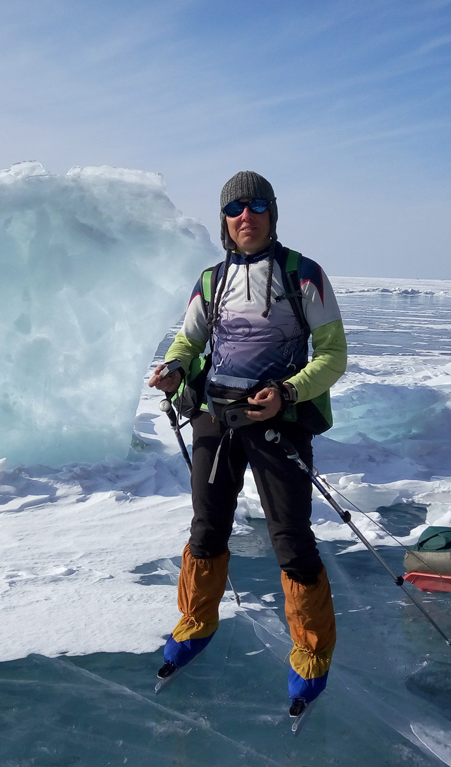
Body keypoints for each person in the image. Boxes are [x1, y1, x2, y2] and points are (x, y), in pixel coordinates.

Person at [148, 170, 347, 717]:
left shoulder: (303, 275)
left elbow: (333, 355)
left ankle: (310, 654)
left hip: (278, 419)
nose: (246, 216)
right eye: (235, 208)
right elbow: (189, 341)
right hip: (216, 415)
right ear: (224, 219)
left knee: (291, 538)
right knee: (207, 527)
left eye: (257, 206)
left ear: (272, 214)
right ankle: (196, 622)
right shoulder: (211, 281)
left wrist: (287, 393)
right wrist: (172, 368)